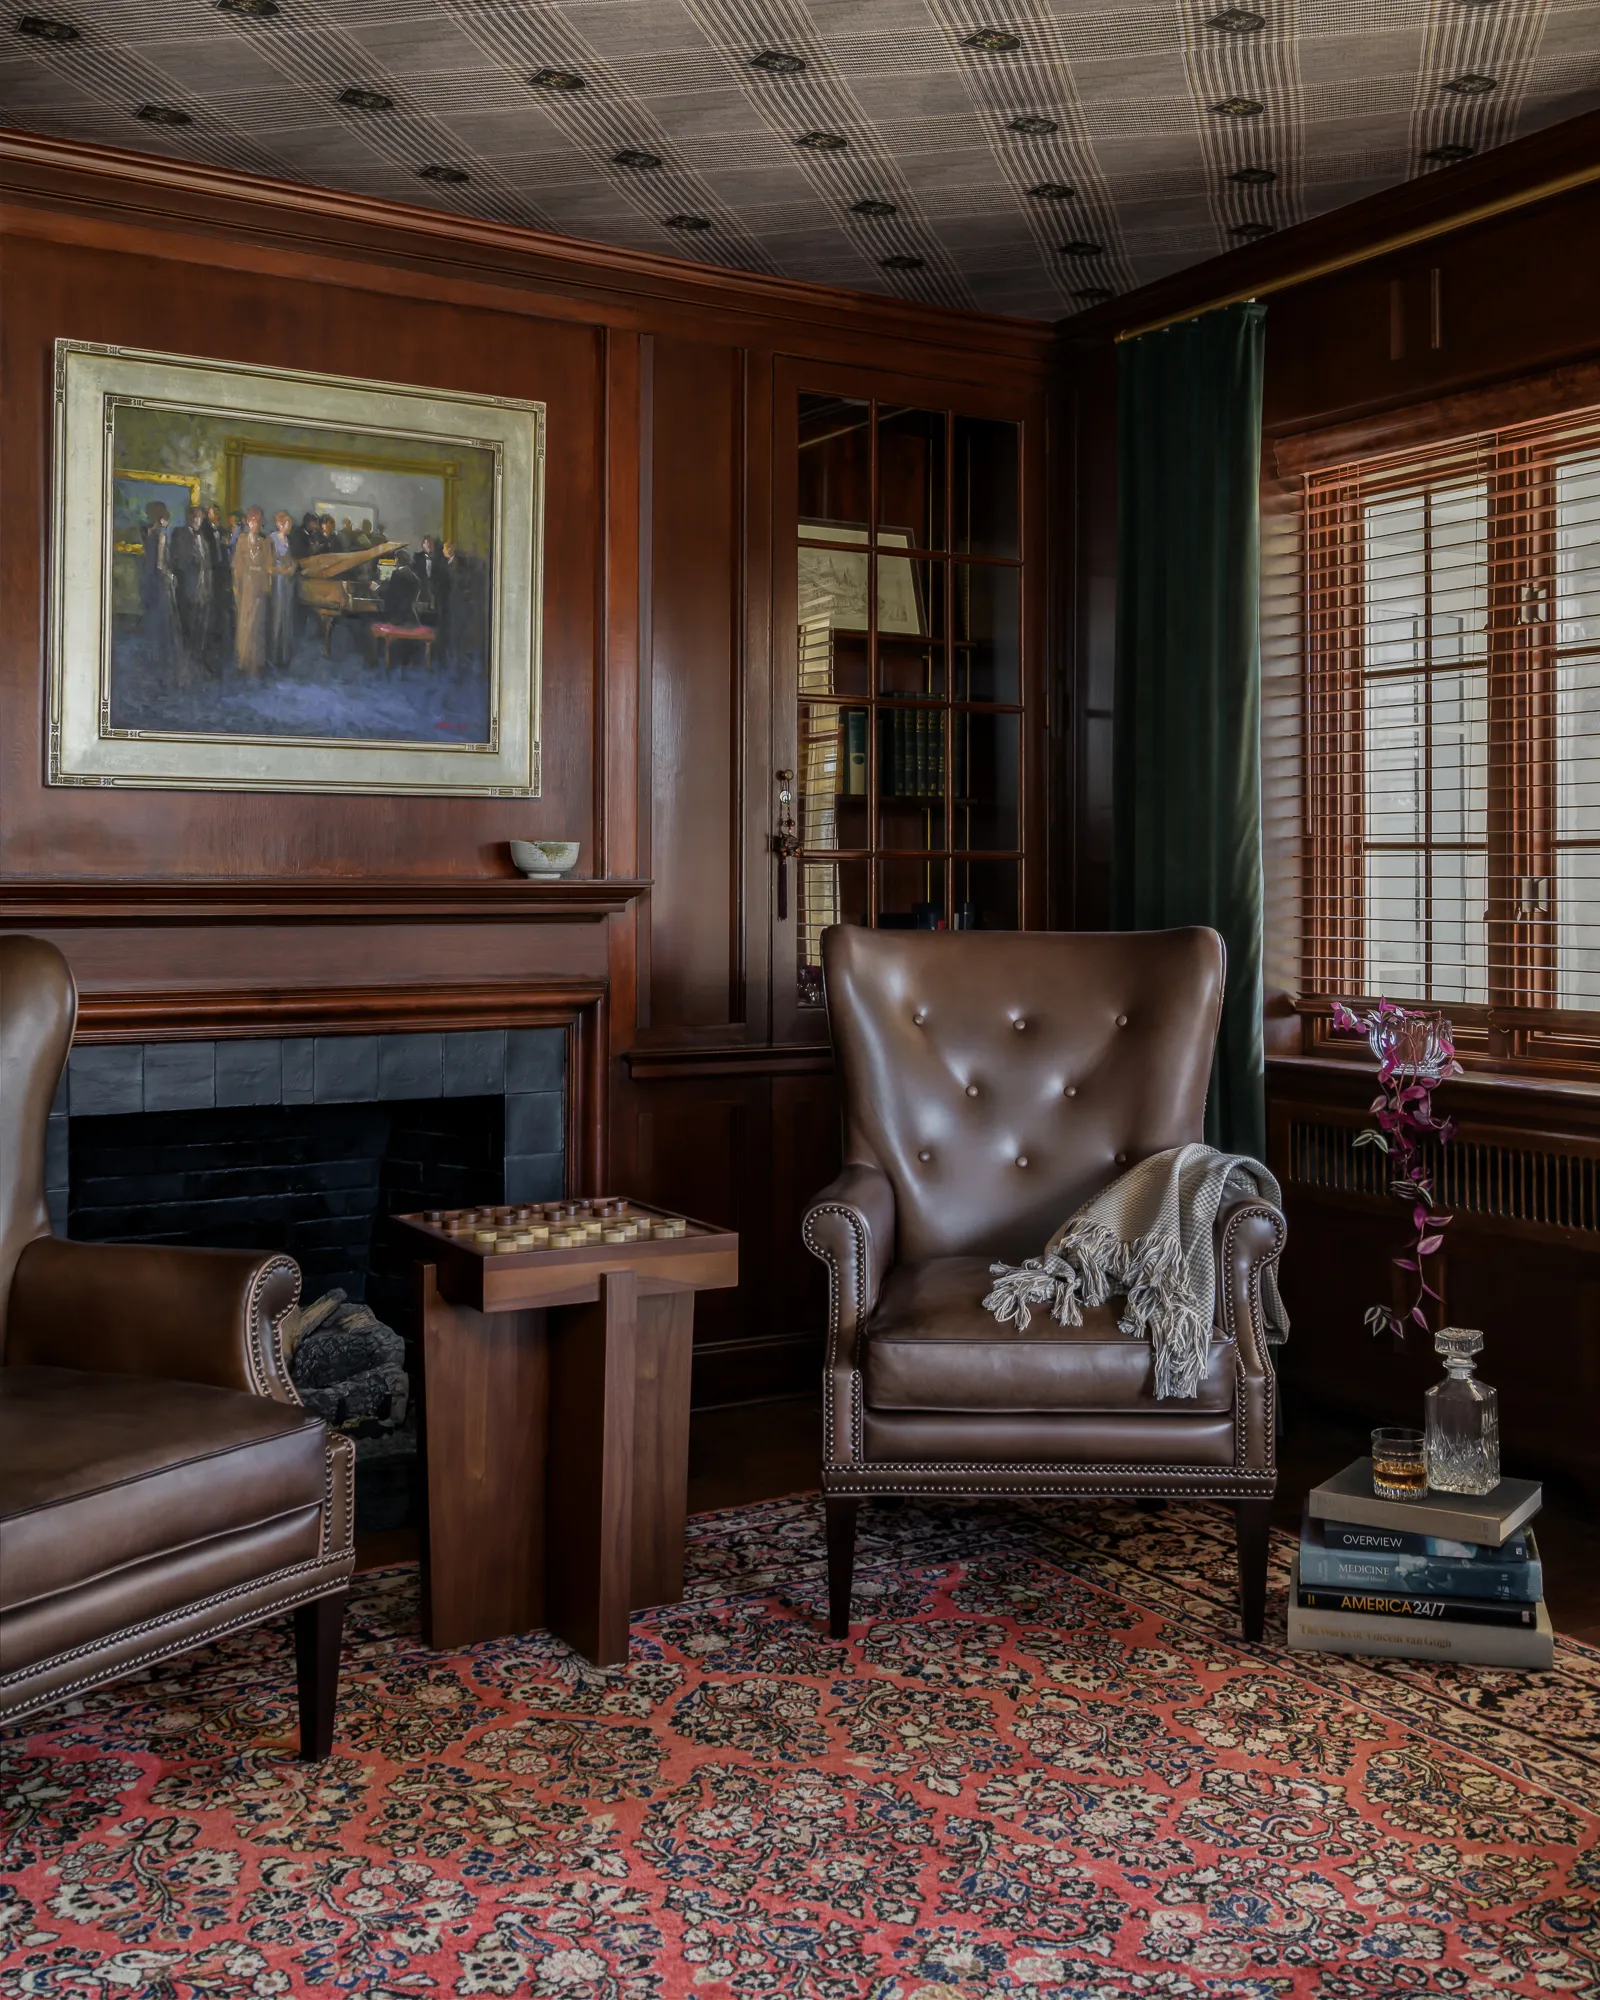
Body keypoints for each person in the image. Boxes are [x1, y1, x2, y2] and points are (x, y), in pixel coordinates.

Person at [139, 501, 182, 679]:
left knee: (154, 619)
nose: (169, 521)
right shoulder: (161, 536)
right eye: (166, 517)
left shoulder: (148, 533)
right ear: (162, 518)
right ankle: (164, 659)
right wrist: (170, 576)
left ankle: (153, 657)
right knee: (165, 619)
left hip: (149, 580)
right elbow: (160, 564)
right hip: (160, 581)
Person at [169, 504, 212, 669]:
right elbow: (176, 559)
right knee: (187, 623)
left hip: (203, 588)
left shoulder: (202, 536)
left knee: (201, 623)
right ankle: (185, 660)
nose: (197, 520)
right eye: (195, 516)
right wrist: (191, 562)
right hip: (188, 586)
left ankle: (197, 656)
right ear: (188, 518)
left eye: (200, 517)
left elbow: (207, 561)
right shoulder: (179, 534)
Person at [231, 506, 273, 674]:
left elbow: (268, 566)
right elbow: (236, 565)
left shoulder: (265, 543)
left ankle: (256, 662)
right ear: (248, 522)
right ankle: (243, 661)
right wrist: (236, 586)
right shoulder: (241, 540)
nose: (255, 524)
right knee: (245, 623)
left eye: (258, 521)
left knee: (258, 623)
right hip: (245, 585)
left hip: (259, 585)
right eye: (252, 521)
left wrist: (266, 584)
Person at [268, 510, 299, 671]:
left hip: (287, 583)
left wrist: (293, 567)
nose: (290, 526)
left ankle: (284, 656)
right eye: (288, 524)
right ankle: (273, 656)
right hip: (277, 582)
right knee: (277, 617)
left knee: (286, 617)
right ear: (280, 524)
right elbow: (269, 565)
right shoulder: (272, 539)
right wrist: (283, 571)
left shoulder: (287, 540)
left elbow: (289, 559)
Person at [204, 504, 234, 661]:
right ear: (208, 515)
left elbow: (226, 550)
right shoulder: (204, 530)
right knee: (212, 603)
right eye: (212, 512)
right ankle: (211, 638)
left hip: (222, 571)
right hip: (211, 570)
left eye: (217, 512)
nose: (215, 514)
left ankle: (221, 637)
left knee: (223, 604)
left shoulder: (222, 531)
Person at [414, 535, 449, 629]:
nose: (429, 546)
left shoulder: (441, 559)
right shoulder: (417, 557)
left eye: (431, 543)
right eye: (427, 543)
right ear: (423, 545)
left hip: (437, 589)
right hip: (422, 589)